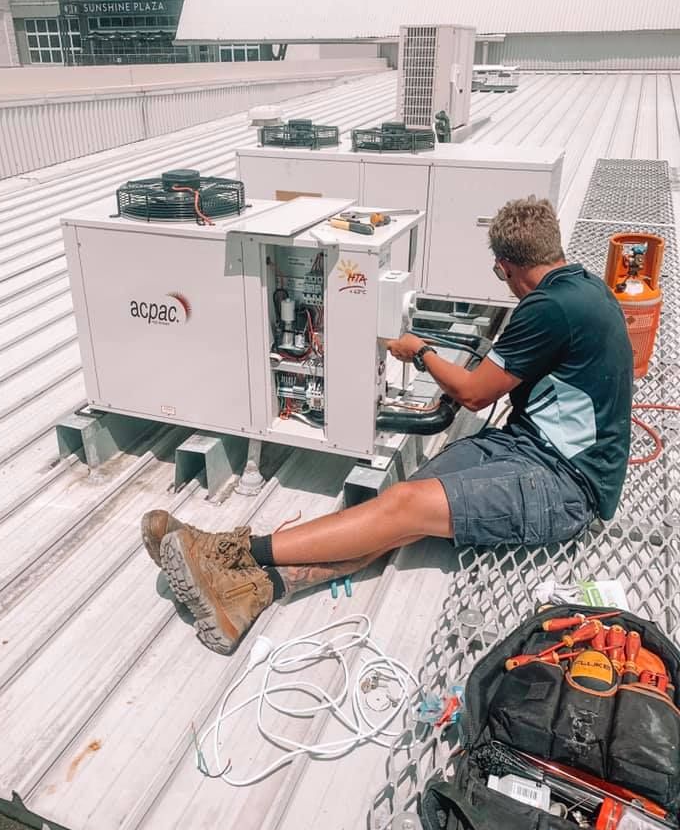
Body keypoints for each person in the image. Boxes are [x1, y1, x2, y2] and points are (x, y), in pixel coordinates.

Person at [141, 197, 633, 655]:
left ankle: (230, 551)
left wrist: (418, 351)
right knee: (402, 506)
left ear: (504, 267)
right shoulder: (581, 288)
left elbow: (473, 392)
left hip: (566, 485)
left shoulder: (550, 308)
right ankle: (254, 591)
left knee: (402, 506)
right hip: (526, 448)